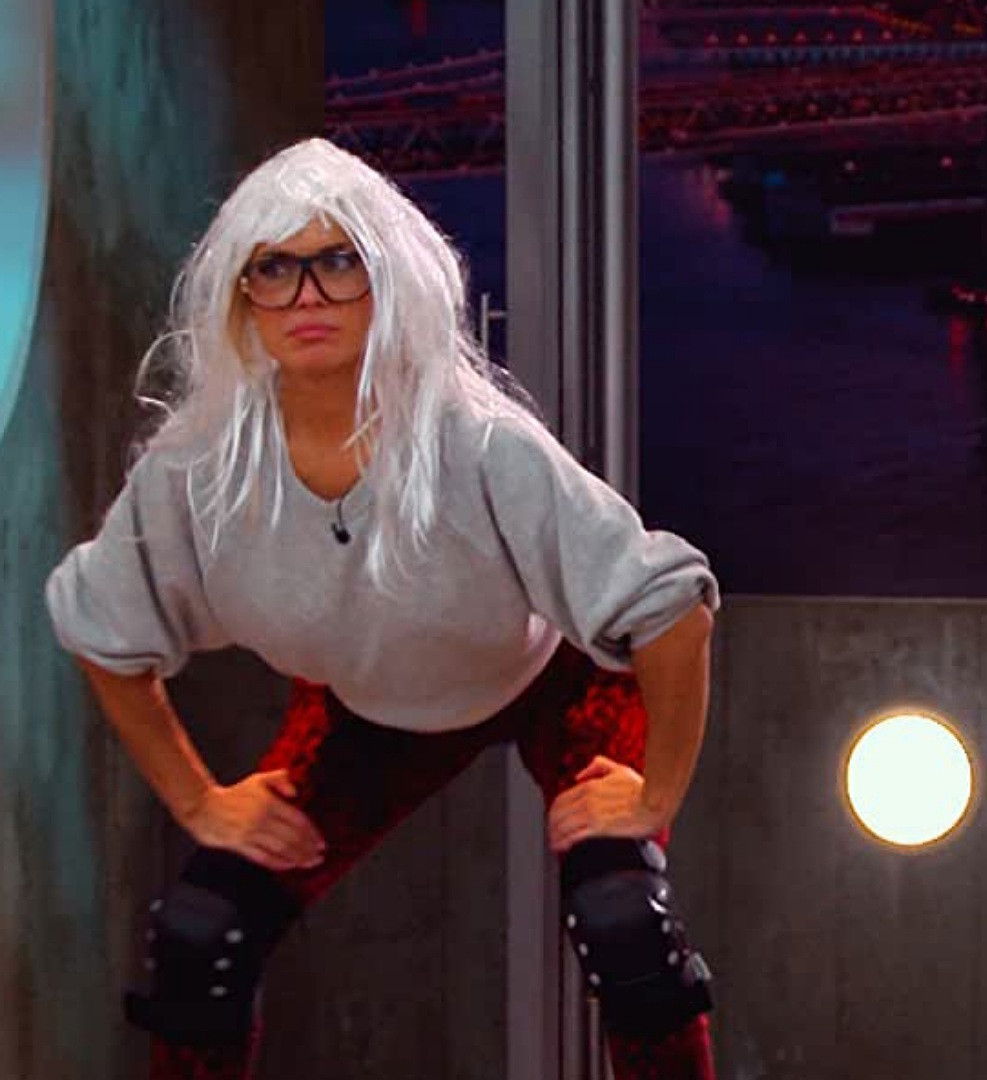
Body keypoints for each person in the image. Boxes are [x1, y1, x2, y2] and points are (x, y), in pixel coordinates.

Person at [44, 138, 719, 1080]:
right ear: (240, 294)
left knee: (624, 921)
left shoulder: (479, 442)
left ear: (388, 279)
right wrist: (198, 800)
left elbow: (674, 610)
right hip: (368, 705)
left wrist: (655, 796)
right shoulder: (197, 468)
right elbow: (101, 625)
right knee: (203, 934)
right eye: (274, 268)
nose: (306, 295)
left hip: (556, 679)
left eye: (338, 261)